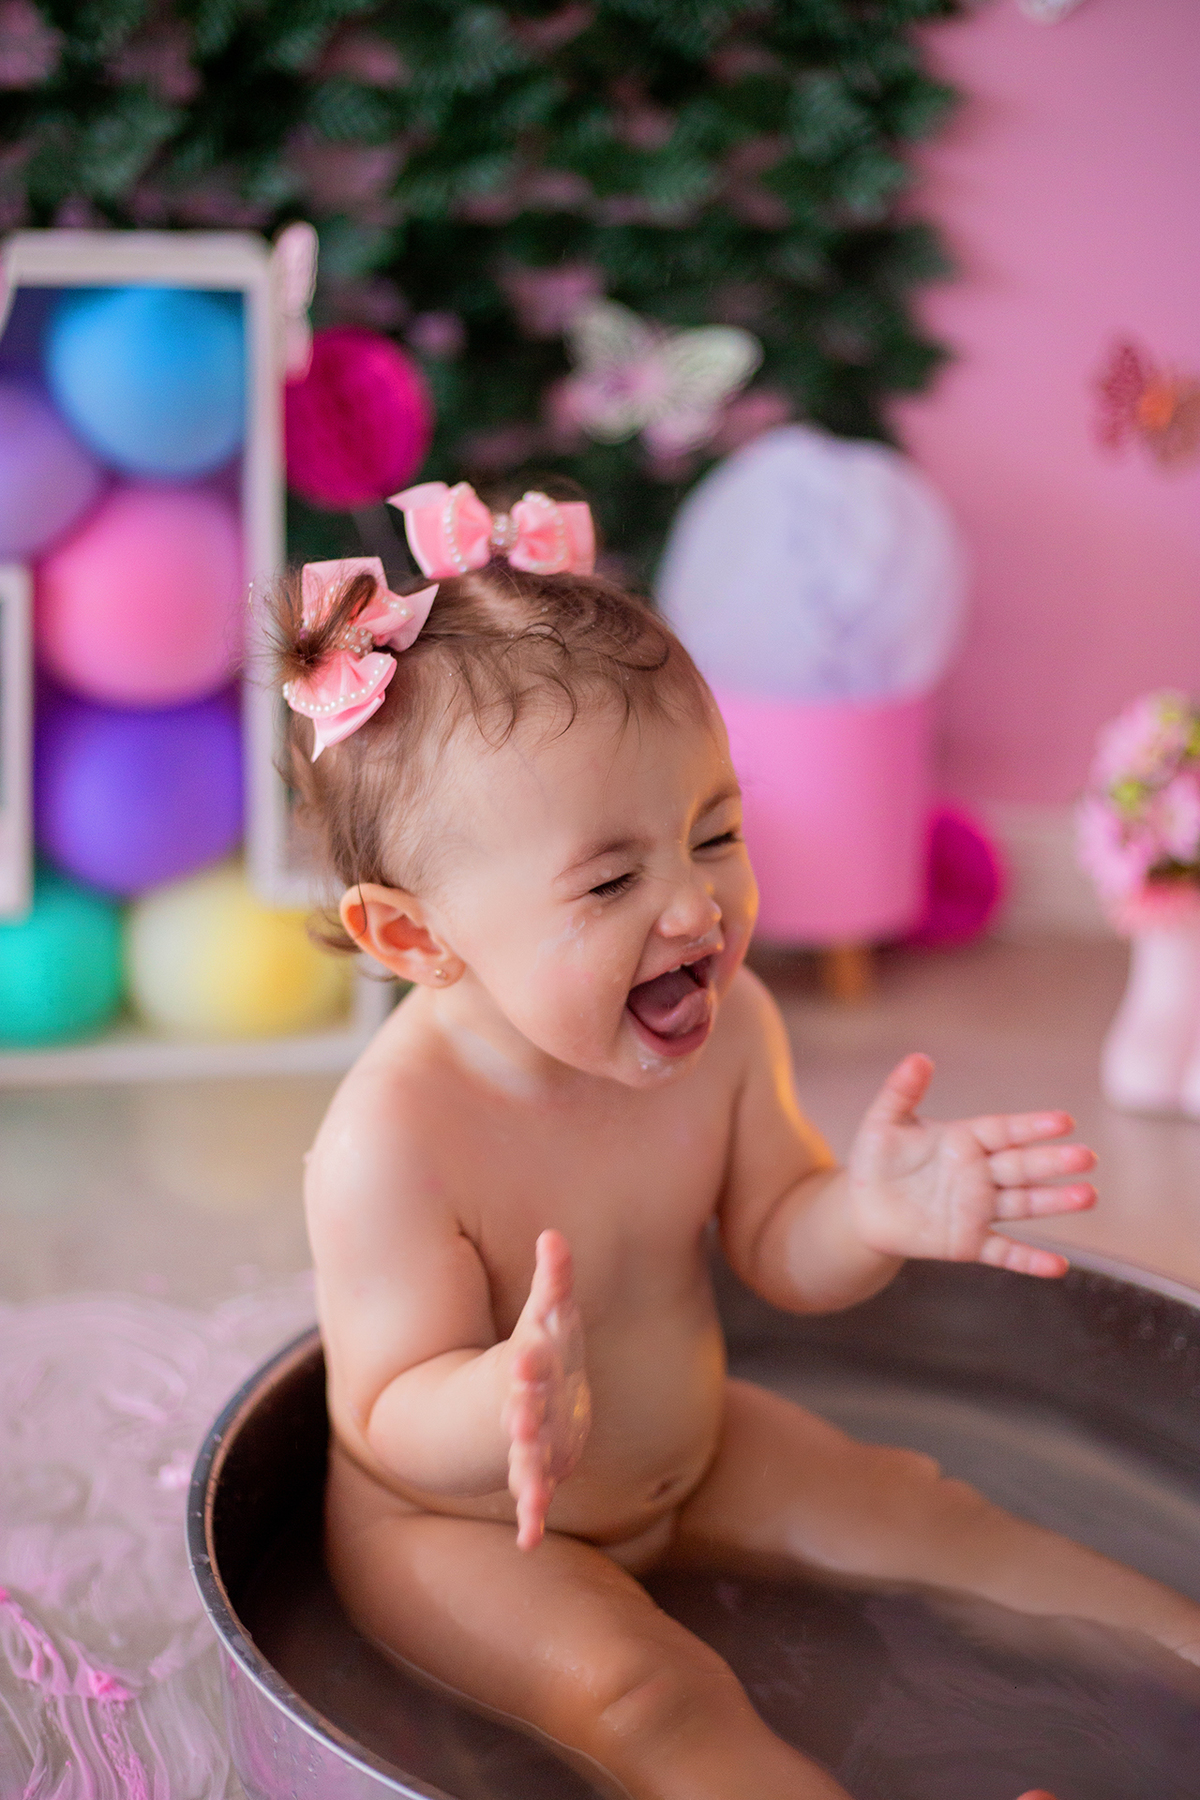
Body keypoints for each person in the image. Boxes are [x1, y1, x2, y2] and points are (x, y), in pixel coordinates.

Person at [274, 482, 1200, 1800]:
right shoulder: (394, 1141)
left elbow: (780, 1248)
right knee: (645, 1694)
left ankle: (1186, 1641)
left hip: (687, 1457)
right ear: (418, 939)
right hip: (471, 1532)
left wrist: (865, 1216)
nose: (697, 903)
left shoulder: (727, 1032)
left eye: (715, 831)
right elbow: (381, 1409)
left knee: (923, 1506)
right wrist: (497, 1403)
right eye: (609, 881)